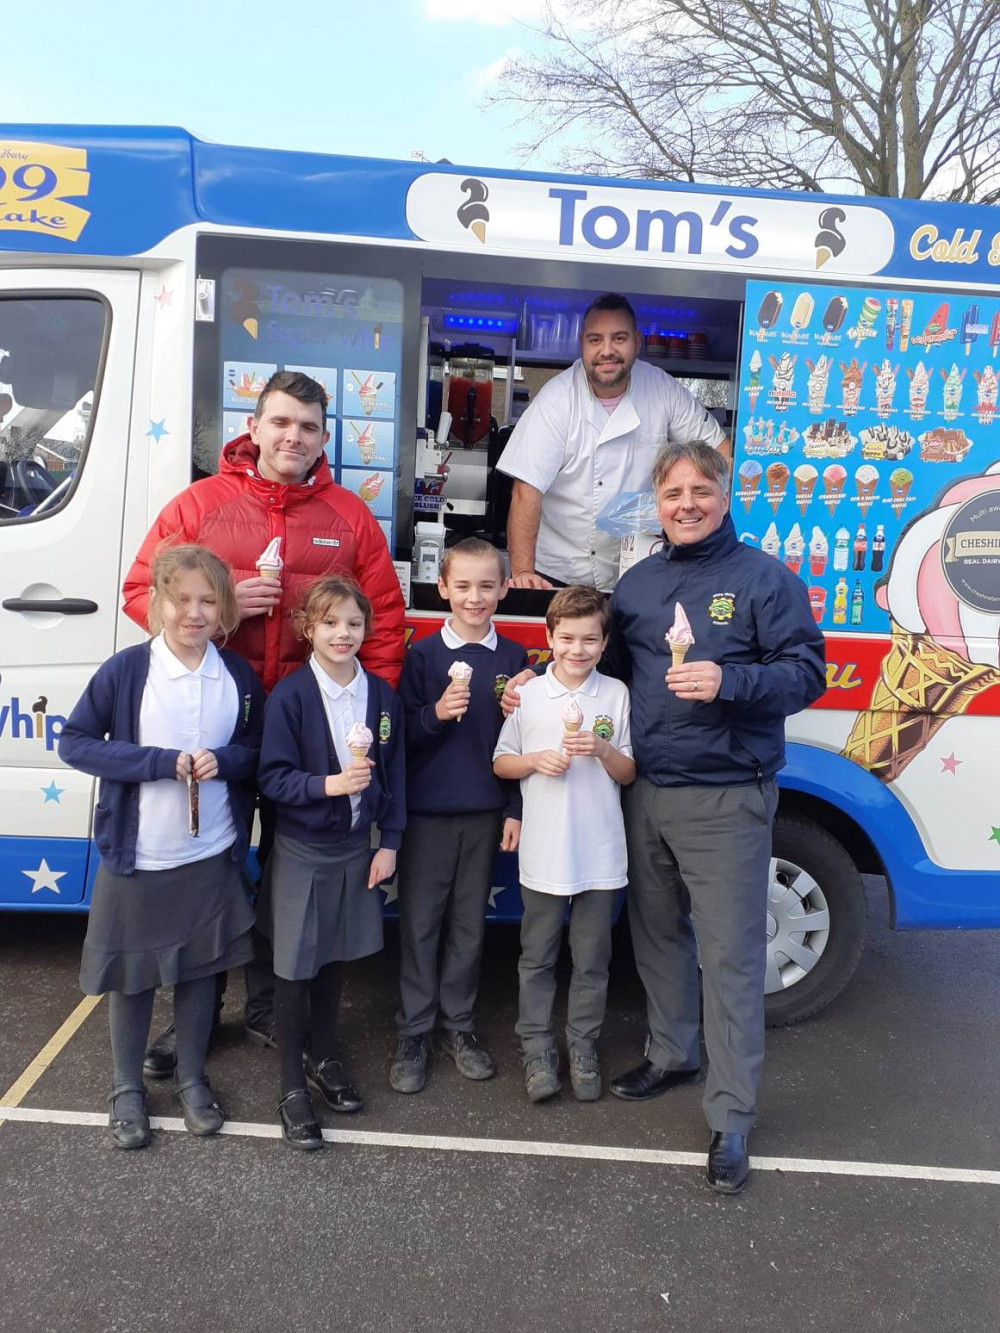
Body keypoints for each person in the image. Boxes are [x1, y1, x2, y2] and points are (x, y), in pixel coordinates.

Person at [122, 369, 405, 1068]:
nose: (293, 436)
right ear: (252, 426)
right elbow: (139, 592)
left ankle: (270, 1009)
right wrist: (226, 608)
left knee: (289, 873)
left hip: (309, 740)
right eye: (281, 421)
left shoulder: (350, 516)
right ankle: (192, 1014)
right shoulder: (200, 505)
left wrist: (372, 720)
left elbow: (386, 625)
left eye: (308, 426)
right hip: (217, 725)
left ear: (323, 438)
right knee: (209, 868)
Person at [607, 441, 825, 1194]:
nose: (687, 503)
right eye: (673, 492)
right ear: (657, 501)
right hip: (650, 791)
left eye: (702, 489)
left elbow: (808, 672)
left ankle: (732, 1115)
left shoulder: (765, 577)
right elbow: (603, 674)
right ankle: (673, 1053)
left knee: (729, 958)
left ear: (724, 494)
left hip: (729, 794)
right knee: (657, 935)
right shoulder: (636, 585)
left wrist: (730, 678)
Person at [58, 546, 264, 1149]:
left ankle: (194, 1078)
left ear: (224, 609)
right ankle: (127, 1087)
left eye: (208, 601)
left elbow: (256, 749)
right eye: (182, 600)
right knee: (135, 978)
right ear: (159, 603)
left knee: (201, 974)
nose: (194, 613)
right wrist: (154, 763)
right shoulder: (127, 672)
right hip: (142, 855)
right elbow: (75, 743)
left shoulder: (237, 677)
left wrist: (223, 761)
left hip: (210, 853)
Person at [257, 576, 405, 1150]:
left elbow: (396, 777)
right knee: (295, 970)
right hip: (303, 850)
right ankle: (291, 1086)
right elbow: (271, 777)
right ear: (307, 630)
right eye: (330, 623)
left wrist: (389, 840)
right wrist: (329, 784)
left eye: (354, 623)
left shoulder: (382, 698)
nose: (343, 634)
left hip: (353, 849)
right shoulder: (291, 696)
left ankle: (324, 1056)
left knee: (334, 959)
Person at [389, 538, 528, 1095]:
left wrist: (514, 808)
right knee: (421, 925)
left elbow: (521, 739)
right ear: (442, 588)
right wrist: (434, 714)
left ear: (502, 589)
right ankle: (414, 1031)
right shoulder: (422, 655)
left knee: (469, 928)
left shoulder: (514, 659)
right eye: (463, 586)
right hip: (428, 814)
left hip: (485, 812)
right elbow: (399, 737)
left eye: (487, 586)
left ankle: (459, 1026)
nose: (475, 597)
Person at [493, 586, 636, 1103]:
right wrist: (534, 761)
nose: (578, 649)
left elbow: (629, 770)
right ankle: (536, 1048)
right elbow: (502, 760)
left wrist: (600, 749)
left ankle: (582, 1045)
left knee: (593, 959)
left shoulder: (615, 694)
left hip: (600, 853)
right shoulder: (528, 695)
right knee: (537, 956)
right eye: (567, 638)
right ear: (549, 637)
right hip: (545, 852)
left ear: (604, 642)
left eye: (590, 640)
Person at [496, 294, 731, 593]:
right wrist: (524, 573)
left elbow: (722, 455)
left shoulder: (661, 388)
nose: (607, 351)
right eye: (595, 340)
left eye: (619, 338)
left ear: (637, 340)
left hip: (641, 570)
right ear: (582, 342)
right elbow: (525, 491)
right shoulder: (555, 401)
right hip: (558, 574)